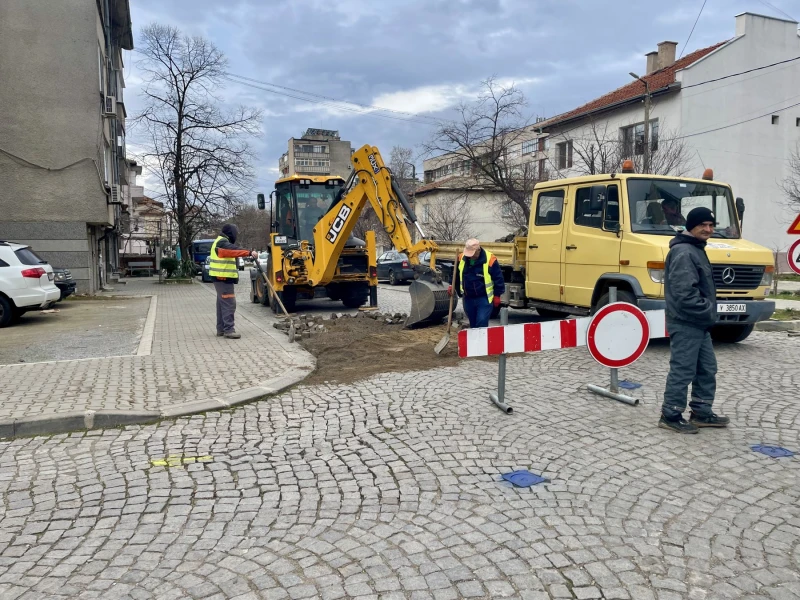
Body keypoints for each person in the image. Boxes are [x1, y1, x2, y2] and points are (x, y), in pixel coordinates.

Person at [659, 207, 729, 433]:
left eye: (711, 225)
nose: (708, 229)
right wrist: (709, 311)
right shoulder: (684, 252)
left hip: (698, 323)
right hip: (687, 322)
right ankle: (670, 415)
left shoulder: (696, 248)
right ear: (691, 226)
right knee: (683, 370)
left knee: (707, 368)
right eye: (703, 225)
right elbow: (684, 295)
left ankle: (701, 412)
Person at [208, 224, 258, 339]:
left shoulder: (220, 241)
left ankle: (221, 329)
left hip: (221, 277)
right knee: (229, 303)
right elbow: (233, 250)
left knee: (222, 304)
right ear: (231, 233)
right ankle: (229, 330)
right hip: (222, 278)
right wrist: (249, 252)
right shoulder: (222, 243)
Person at [448, 238, 505, 329]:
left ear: (478, 250)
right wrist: (452, 285)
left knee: (481, 322)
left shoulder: (490, 259)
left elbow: (498, 278)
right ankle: (474, 342)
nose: (470, 256)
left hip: (484, 298)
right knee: (473, 324)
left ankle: (481, 342)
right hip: (468, 298)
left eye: (472, 253)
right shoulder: (462, 257)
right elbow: (456, 274)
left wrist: (497, 295)